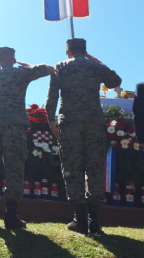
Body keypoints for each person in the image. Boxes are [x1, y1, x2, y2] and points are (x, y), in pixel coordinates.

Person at [0, 47, 53, 229]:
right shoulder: (21, 72)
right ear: (13, 59)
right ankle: (11, 216)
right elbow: (49, 68)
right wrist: (24, 64)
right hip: (14, 127)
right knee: (14, 168)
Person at [46, 38, 121, 235]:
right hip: (94, 123)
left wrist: (51, 121)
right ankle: (94, 221)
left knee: (72, 167)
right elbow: (116, 81)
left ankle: (79, 220)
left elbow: (52, 95)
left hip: (70, 123)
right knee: (94, 168)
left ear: (68, 51)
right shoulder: (94, 67)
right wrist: (94, 60)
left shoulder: (61, 66)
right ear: (85, 51)